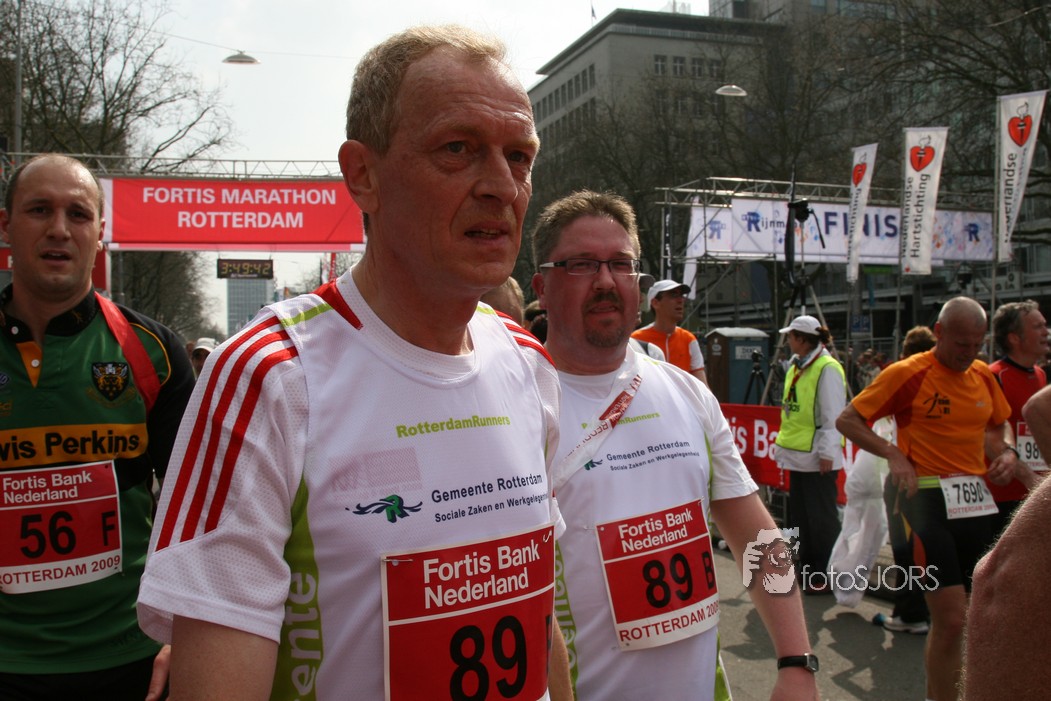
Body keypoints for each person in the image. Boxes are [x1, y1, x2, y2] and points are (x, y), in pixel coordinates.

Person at [137, 26, 571, 701]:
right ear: (362, 174)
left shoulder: (528, 363)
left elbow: (535, 618)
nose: (500, 186)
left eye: (519, 156)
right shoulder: (268, 377)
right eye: (457, 148)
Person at [533, 190, 819, 701]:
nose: (606, 280)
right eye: (582, 265)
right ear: (542, 287)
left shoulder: (687, 392)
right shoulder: (520, 405)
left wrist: (797, 661)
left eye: (621, 264)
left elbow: (757, 537)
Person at [0, 154, 195, 700]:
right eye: (40, 210)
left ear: (100, 232)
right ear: (6, 225)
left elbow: (199, 511)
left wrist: (184, 629)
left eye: (78, 214)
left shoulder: (153, 352)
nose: (59, 229)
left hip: (133, 662)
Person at [836, 297, 1021, 701]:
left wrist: (1006, 452)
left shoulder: (982, 375)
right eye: (961, 344)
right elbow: (848, 419)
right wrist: (893, 453)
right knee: (951, 619)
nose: (969, 353)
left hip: (974, 503)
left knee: (974, 620)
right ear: (939, 333)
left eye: (977, 345)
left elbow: (997, 425)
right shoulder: (909, 372)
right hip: (923, 502)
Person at [962, 383, 1051, 700]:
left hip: (1001, 498)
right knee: (955, 610)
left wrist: (1012, 453)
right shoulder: (995, 374)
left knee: (954, 614)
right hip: (986, 495)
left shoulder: (1031, 373)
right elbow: (1038, 408)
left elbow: (1001, 423)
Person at [772, 315, 847, 594]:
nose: (788, 341)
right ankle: (806, 571)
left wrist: (827, 452)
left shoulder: (827, 368)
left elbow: (832, 414)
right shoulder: (797, 365)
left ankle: (824, 574)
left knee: (821, 520)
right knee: (801, 519)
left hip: (817, 458)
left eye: (791, 336)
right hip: (799, 456)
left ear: (802, 340)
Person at [870, 325, 936, 634]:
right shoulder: (949, 378)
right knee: (930, 548)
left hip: (907, 479)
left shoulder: (901, 378)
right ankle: (930, 611)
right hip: (941, 478)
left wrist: (891, 455)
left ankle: (910, 614)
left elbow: (857, 417)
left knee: (905, 548)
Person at [986, 300, 1048, 532]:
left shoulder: (1040, 374)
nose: (1045, 332)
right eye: (1037, 327)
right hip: (1004, 496)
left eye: (1045, 325)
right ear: (1014, 338)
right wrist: (1028, 476)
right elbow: (988, 434)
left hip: (1037, 492)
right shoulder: (994, 376)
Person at [631, 278, 708, 385]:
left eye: (681, 295)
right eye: (673, 295)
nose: (680, 300)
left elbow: (702, 384)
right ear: (655, 303)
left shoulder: (688, 339)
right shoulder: (636, 339)